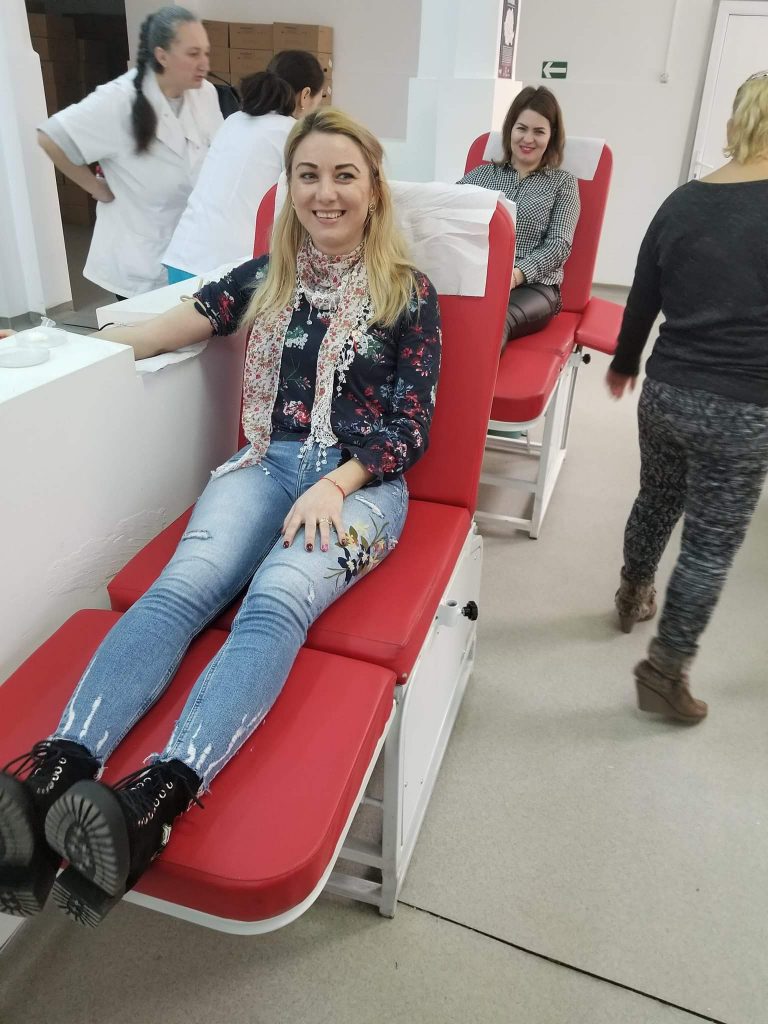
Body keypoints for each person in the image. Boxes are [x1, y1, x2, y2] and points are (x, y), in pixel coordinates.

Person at [0, 108, 441, 926]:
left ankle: (156, 801)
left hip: (363, 486)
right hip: (263, 464)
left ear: (375, 189)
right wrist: (63, 345)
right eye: (308, 175)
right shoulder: (265, 276)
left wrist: (337, 485)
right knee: (180, 590)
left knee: (275, 601)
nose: (326, 192)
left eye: (344, 175)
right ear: (290, 187)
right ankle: (54, 774)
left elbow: (411, 427)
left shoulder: (407, 292)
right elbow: (174, 322)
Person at [607, 71, 768, 725]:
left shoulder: (682, 201)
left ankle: (632, 591)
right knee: (709, 543)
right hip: (742, 406)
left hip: (667, 392)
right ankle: (665, 670)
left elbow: (642, 294)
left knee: (657, 498)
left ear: (736, 123)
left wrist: (625, 363)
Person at [37, 6, 223, 299]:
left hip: (189, 248)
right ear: (162, 55)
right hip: (139, 258)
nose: (204, 63)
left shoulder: (205, 93)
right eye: (193, 54)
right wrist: (95, 188)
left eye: (206, 53)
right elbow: (50, 137)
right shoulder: (117, 100)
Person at [163, 51, 325, 282]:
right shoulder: (292, 132)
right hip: (223, 269)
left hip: (184, 254)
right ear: (306, 95)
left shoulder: (234, 120)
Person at [458, 86, 580, 348]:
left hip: (534, 287)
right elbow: (444, 213)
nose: (528, 139)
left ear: (552, 136)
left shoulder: (563, 183)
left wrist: (516, 275)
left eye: (539, 132)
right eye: (521, 128)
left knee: (494, 322)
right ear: (510, 130)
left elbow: (559, 245)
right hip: (479, 279)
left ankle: (479, 378)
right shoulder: (481, 176)